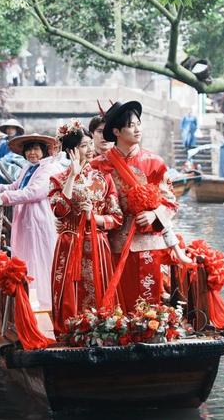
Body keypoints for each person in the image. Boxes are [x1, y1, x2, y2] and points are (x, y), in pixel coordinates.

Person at [91, 101, 182, 311]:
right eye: (131, 125)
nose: (138, 129)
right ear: (116, 131)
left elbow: (170, 201)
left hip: (148, 240)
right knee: (119, 304)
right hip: (112, 242)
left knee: (148, 301)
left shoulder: (154, 162)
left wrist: (154, 215)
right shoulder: (99, 165)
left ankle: (149, 331)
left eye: (139, 124)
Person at [48, 122, 123, 334]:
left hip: (98, 243)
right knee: (71, 291)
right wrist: (72, 175)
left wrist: (94, 218)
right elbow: (59, 211)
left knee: (99, 291)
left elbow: (116, 217)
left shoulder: (104, 178)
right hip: (70, 243)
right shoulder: (58, 178)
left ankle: (102, 331)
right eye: (84, 146)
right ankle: (70, 331)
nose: (90, 149)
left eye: (91, 144)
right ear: (71, 150)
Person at [0, 133, 63, 310]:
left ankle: (45, 303)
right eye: (29, 150)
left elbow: (35, 192)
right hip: (25, 221)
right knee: (27, 260)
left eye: (36, 149)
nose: (32, 153)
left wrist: (5, 197)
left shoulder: (49, 169)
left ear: (44, 151)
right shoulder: (29, 168)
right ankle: (27, 301)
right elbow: (14, 187)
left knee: (39, 259)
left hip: (39, 222)